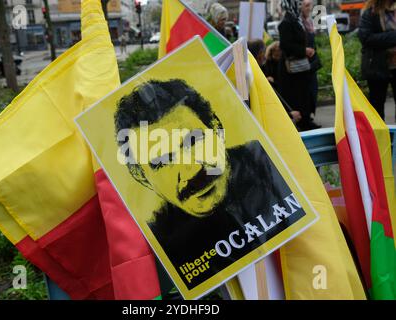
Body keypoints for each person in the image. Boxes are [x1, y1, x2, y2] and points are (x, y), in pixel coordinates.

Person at [114, 79, 307, 289]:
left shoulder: (271, 168)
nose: (192, 170)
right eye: (163, 161)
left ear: (216, 127)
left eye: (194, 141)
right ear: (141, 176)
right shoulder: (158, 248)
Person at [278, 0, 320, 130]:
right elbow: (285, 45)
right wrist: (304, 50)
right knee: (297, 97)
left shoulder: (296, 20)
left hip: (301, 68)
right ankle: (302, 123)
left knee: (305, 95)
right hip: (293, 70)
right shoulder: (287, 23)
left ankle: (306, 120)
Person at [358, 0, 396, 121]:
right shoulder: (370, 12)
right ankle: (381, 138)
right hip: (377, 66)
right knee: (377, 108)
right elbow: (366, 38)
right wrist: (393, 36)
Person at [301, 0, 322, 122]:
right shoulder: (299, 23)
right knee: (306, 91)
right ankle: (307, 118)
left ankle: (310, 116)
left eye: (310, 5)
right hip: (303, 63)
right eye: (307, 5)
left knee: (313, 90)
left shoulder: (309, 22)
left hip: (312, 63)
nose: (309, 8)